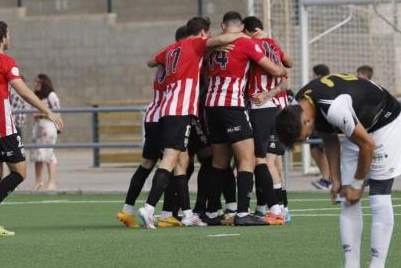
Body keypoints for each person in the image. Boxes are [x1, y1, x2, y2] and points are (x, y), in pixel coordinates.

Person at [275, 73, 401, 268]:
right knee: (346, 197)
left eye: (304, 136)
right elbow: (328, 136)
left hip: (386, 124)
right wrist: (335, 180)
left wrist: (357, 184)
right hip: (358, 128)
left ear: (306, 120)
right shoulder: (299, 105)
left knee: (378, 195)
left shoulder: (334, 108)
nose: (306, 139)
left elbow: (368, 145)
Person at [136, 16, 247, 229]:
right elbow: (221, 40)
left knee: (182, 163)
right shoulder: (196, 43)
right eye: (208, 34)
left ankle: (187, 213)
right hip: (181, 110)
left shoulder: (171, 49)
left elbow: (151, 61)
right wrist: (243, 34)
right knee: (169, 160)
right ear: (203, 32)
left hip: (167, 109)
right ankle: (149, 208)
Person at [0, 20, 63, 236]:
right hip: (2, 126)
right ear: (2, 37)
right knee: (20, 172)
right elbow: (24, 92)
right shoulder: (6, 62)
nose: (10, 37)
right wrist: (48, 111)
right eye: (8, 34)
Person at [204, 12, 287, 226]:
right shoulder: (245, 43)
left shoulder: (211, 46)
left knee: (219, 162)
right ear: (241, 26)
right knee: (248, 159)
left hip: (211, 107)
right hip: (232, 106)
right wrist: (279, 68)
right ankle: (242, 213)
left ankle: (211, 212)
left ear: (223, 26)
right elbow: (277, 70)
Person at [117, 26, 182, 228]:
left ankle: (127, 210)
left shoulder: (167, 56)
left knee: (147, 163)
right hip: (166, 116)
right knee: (172, 164)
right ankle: (166, 213)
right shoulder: (182, 58)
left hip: (152, 114)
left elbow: (151, 61)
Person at [243, 16, 293, 224]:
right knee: (275, 162)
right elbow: (289, 65)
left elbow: (282, 71)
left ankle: (276, 208)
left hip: (263, 106)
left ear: (250, 31)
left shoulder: (252, 46)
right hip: (279, 107)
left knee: (263, 161)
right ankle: (277, 207)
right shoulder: (272, 44)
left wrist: (266, 94)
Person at [29, 74, 61, 191]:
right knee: (37, 154)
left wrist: (41, 114)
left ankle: (52, 181)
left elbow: (56, 111)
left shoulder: (51, 95)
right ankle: (38, 181)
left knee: (48, 153)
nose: (36, 84)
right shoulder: (36, 96)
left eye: (38, 82)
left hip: (48, 126)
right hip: (37, 126)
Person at [310, 64, 332, 189]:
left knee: (318, 150)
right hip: (318, 123)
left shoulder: (321, 86)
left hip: (323, 123)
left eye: (313, 74)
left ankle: (327, 179)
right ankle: (328, 178)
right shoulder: (320, 86)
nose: (311, 77)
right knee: (315, 150)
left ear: (318, 75)